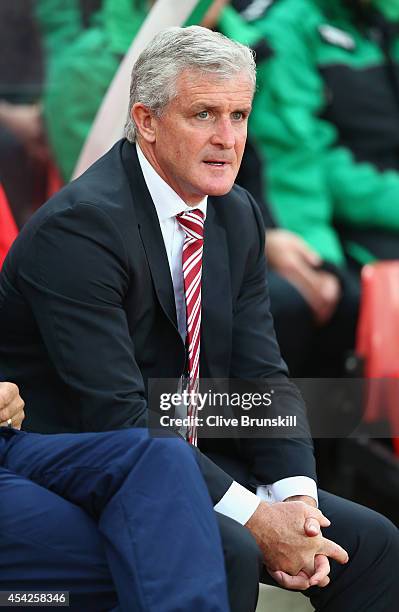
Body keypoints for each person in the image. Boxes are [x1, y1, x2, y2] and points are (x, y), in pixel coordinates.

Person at [0, 26, 398, 611]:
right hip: (91, 458)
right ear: (147, 120)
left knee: (373, 543)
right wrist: (256, 517)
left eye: (239, 116)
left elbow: (263, 377)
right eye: (204, 114)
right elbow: (116, 415)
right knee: (230, 545)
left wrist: (297, 502)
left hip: (189, 437)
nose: (226, 139)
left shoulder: (235, 212)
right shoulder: (80, 229)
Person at [0, 381, 230, 612]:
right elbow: (115, 405)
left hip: (10, 443)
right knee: (149, 567)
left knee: (161, 454)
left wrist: (8, 398)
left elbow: (258, 383)